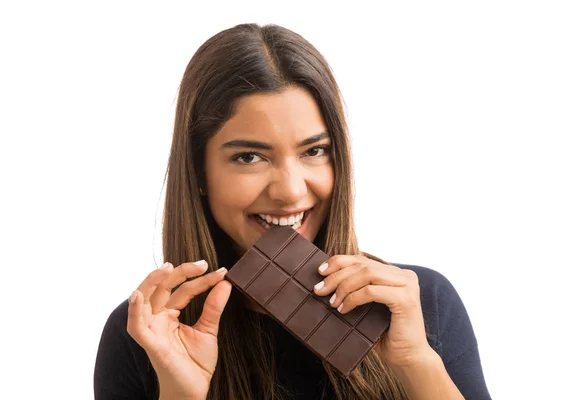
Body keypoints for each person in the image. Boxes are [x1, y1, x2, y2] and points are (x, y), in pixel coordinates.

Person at [94, 23, 491, 400]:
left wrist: (416, 363)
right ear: (199, 171)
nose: (290, 190)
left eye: (314, 151)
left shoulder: (420, 306)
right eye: (249, 157)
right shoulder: (146, 336)